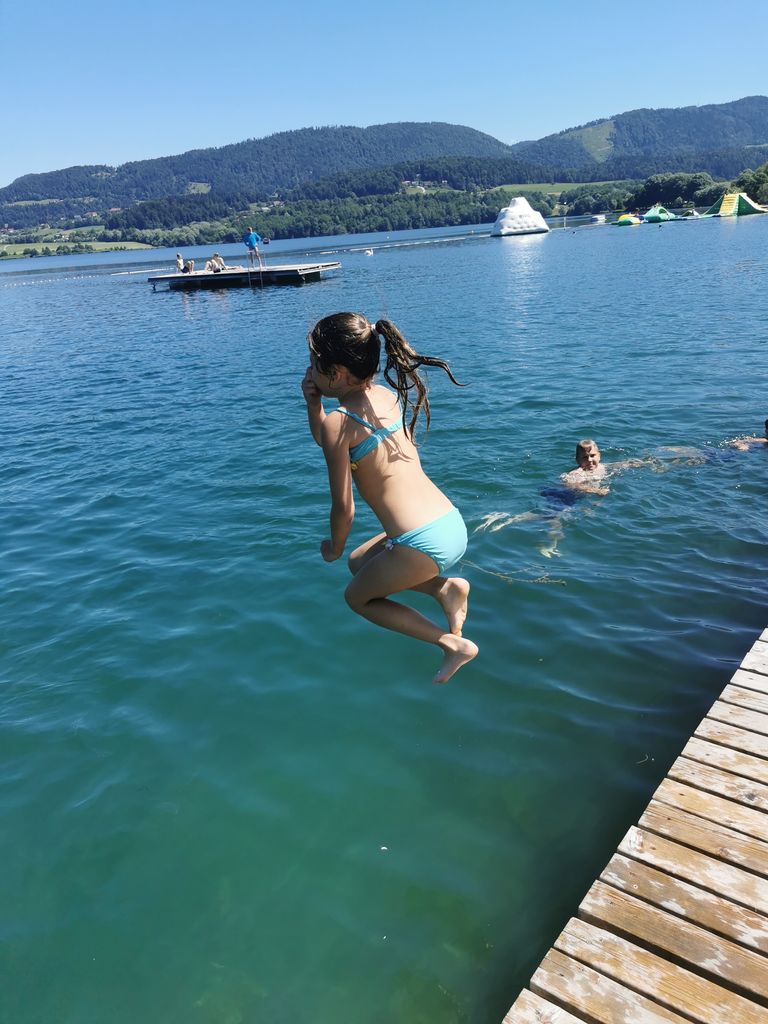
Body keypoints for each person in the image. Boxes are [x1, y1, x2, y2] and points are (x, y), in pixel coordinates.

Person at [301, 312, 477, 685]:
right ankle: (446, 588)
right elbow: (331, 441)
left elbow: (344, 509)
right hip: (447, 521)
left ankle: (451, 645)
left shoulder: (339, 423)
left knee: (356, 598)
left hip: (419, 544)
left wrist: (333, 547)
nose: (309, 370)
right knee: (359, 562)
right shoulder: (384, 395)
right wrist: (314, 405)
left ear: (337, 373)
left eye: (314, 363)